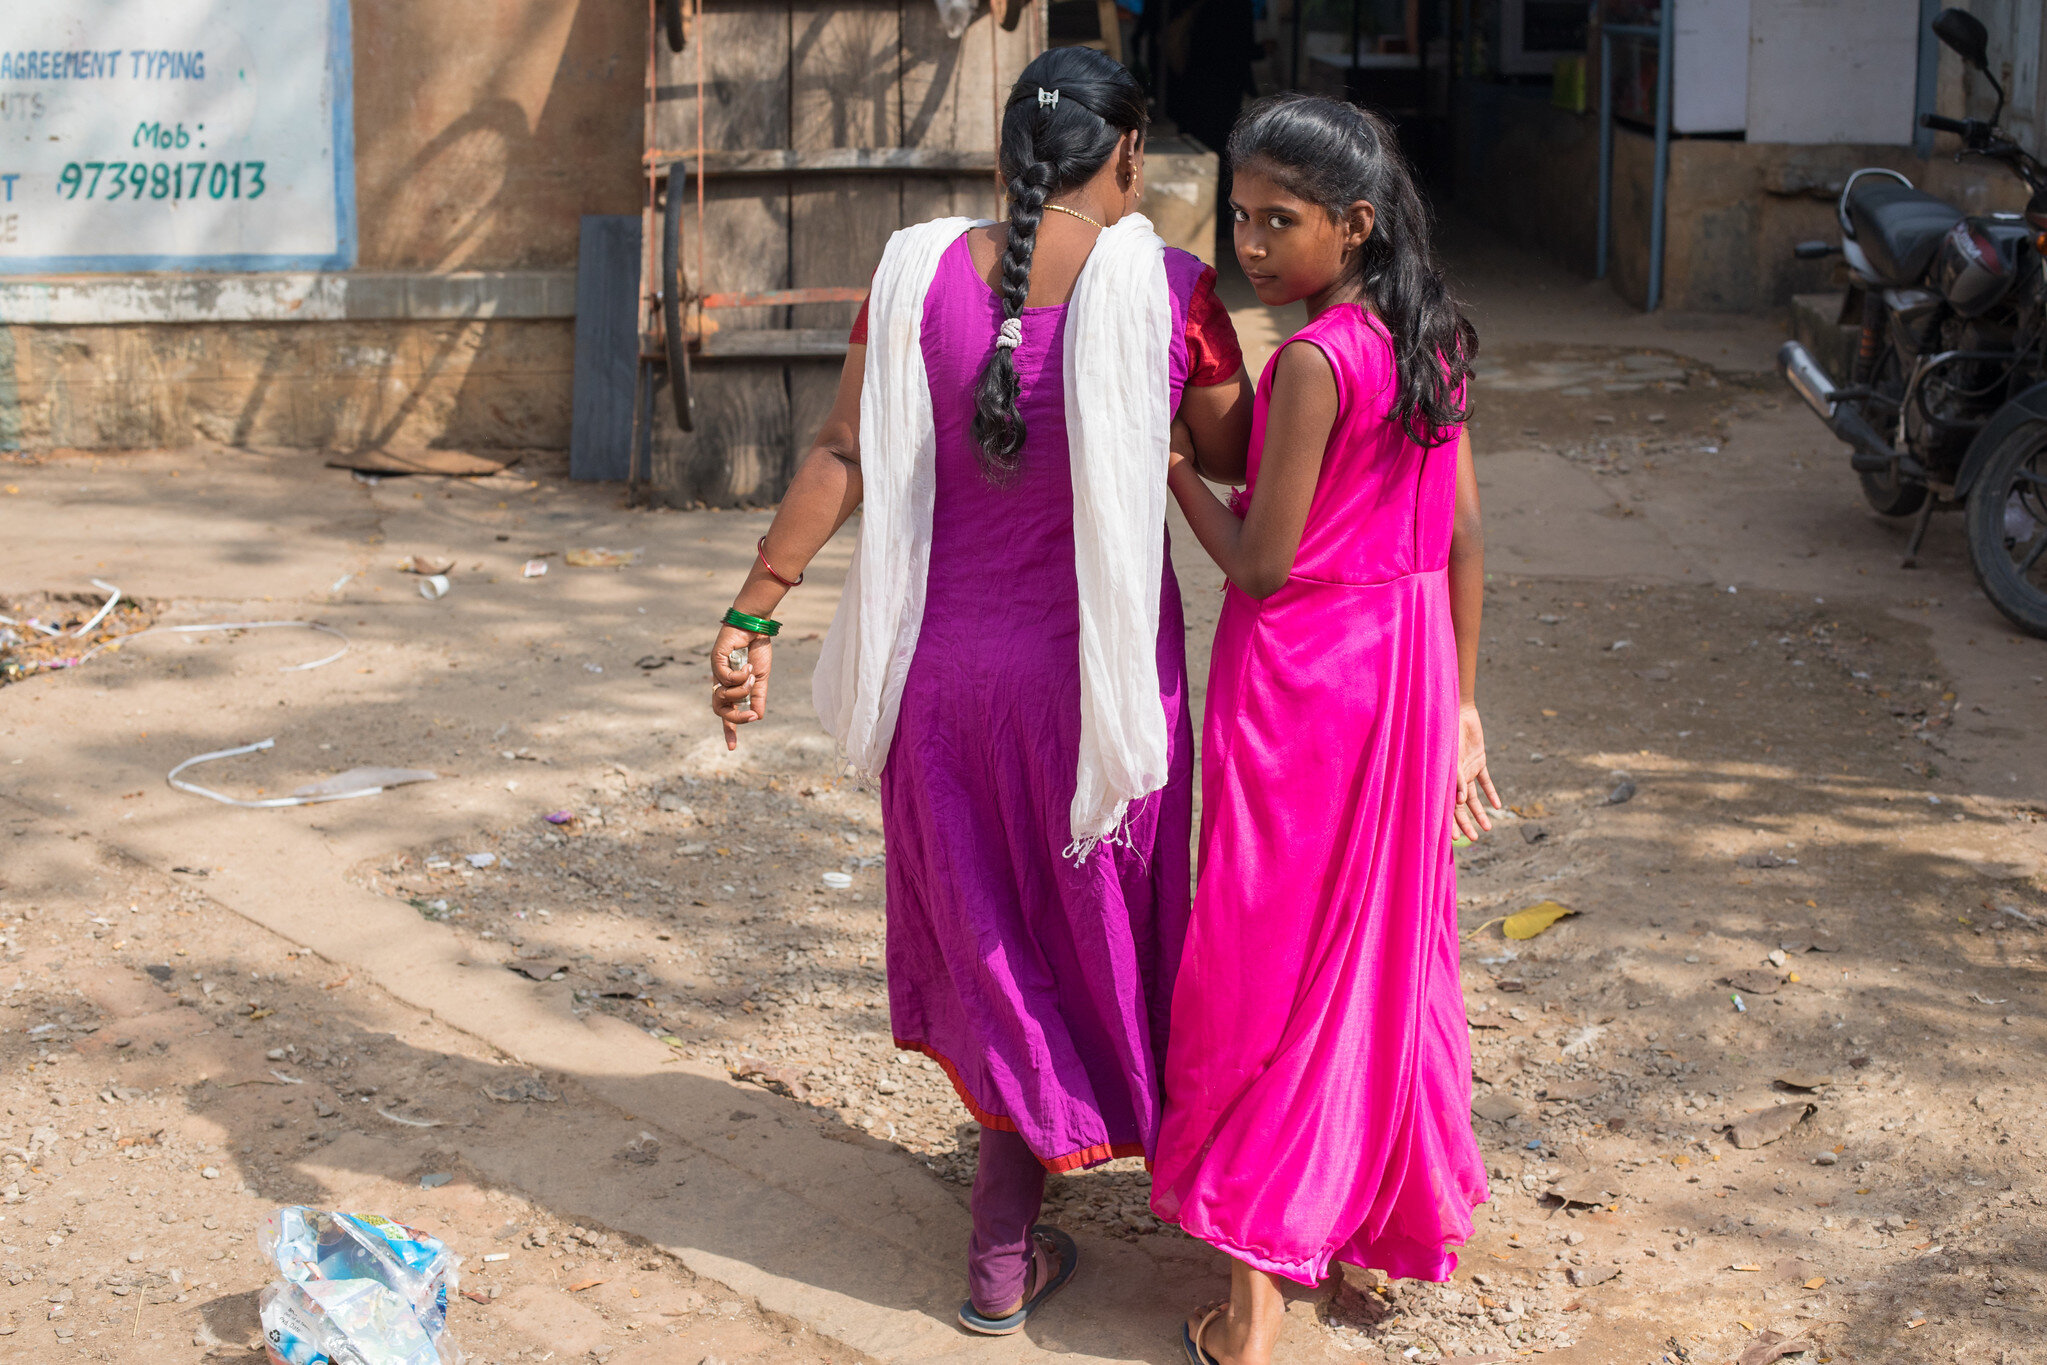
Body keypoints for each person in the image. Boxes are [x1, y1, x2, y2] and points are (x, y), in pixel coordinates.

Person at [708, 46, 1251, 1338]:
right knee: (1090, 939)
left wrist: (752, 608)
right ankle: (1121, 1221)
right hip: (1090, 702)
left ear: (1009, 152)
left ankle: (1004, 1251)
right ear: (1126, 157)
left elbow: (838, 448)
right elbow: (1229, 447)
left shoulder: (908, 278)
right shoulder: (1165, 288)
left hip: (939, 695)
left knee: (998, 953)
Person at [1147, 94, 1500, 1365]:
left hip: (1302, 680)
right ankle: (1352, 1224)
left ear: (1352, 224)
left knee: (1264, 960)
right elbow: (1460, 541)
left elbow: (1257, 562)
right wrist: (1461, 703)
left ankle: (1250, 1298)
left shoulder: (1314, 361)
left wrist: (1169, 468)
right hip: (1405, 673)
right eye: (1238, 216)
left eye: (1276, 220)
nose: (1249, 242)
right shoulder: (1436, 340)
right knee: (1378, 954)